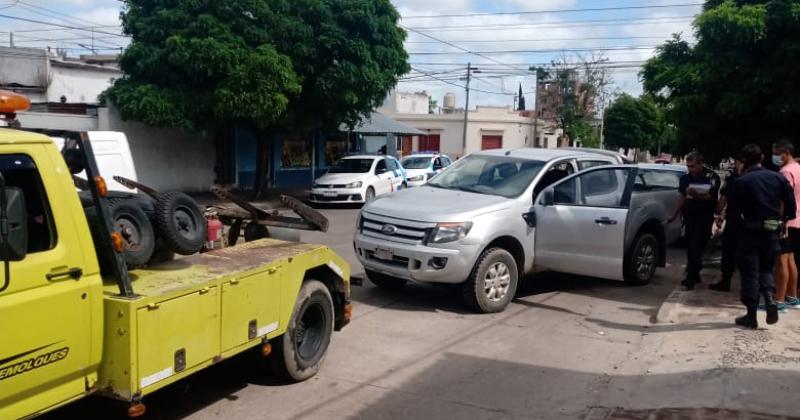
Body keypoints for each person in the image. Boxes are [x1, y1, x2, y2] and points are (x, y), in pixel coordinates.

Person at [728, 144, 796, 329]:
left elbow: (734, 210)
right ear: (762, 157)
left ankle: (751, 315)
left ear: (744, 161)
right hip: (772, 230)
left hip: (749, 232)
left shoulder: (741, 181)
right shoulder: (777, 177)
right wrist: (783, 219)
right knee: (766, 268)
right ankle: (769, 297)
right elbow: (791, 206)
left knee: (750, 271)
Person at [667, 151, 721, 290]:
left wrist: (697, 195)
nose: (690, 169)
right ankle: (693, 274)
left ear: (700, 164)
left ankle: (692, 274)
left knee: (698, 244)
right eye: (688, 166)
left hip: (704, 216)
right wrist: (674, 214)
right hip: (689, 216)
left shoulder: (711, 177)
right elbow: (682, 197)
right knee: (691, 245)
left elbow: (712, 198)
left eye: (692, 166)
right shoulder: (685, 178)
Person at [771, 140, 800, 310]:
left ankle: (779, 301)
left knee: (781, 260)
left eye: (776, 153)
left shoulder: (786, 172)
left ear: (786, 152)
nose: (775, 157)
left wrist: (780, 220)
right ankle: (792, 297)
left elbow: (784, 199)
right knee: (791, 258)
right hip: (797, 220)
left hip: (787, 221)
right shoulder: (797, 168)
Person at [710, 158, 744, 292]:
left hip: (735, 221)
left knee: (729, 251)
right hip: (752, 221)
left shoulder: (734, 179)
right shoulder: (761, 176)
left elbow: (724, 199)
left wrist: (718, 213)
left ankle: (726, 281)